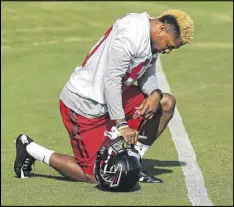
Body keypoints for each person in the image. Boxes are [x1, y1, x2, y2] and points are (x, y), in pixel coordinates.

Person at [14, 10, 194, 184]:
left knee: (164, 103)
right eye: (169, 45)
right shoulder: (132, 33)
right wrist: (121, 125)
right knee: (96, 175)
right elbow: (112, 79)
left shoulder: (151, 36)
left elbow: (145, 73)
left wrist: (155, 93)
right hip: (85, 104)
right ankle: (30, 149)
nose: (168, 51)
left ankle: (133, 162)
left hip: (113, 97)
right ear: (161, 29)